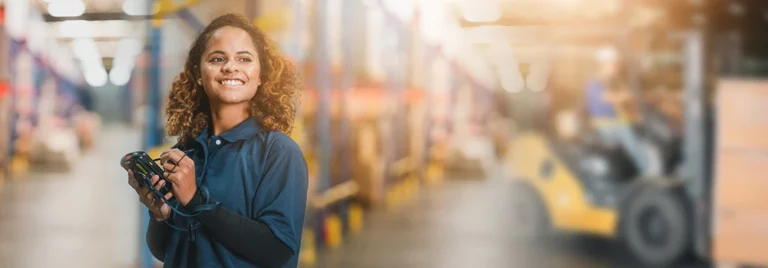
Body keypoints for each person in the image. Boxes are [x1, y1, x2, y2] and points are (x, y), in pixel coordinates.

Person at [125, 13, 308, 268]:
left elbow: (279, 251)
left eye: (244, 59)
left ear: (261, 75)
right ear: (199, 74)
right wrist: (160, 216)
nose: (230, 67)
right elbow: (165, 251)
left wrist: (197, 202)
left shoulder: (278, 152)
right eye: (217, 58)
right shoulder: (185, 152)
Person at [585, 46, 649, 174]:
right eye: (612, 64)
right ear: (603, 65)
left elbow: (621, 104)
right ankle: (648, 173)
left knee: (633, 145)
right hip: (606, 125)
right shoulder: (594, 82)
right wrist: (625, 96)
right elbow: (607, 98)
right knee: (633, 147)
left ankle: (641, 172)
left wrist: (635, 115)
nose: (615, 67)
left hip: (615, 122)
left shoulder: (613, 81)